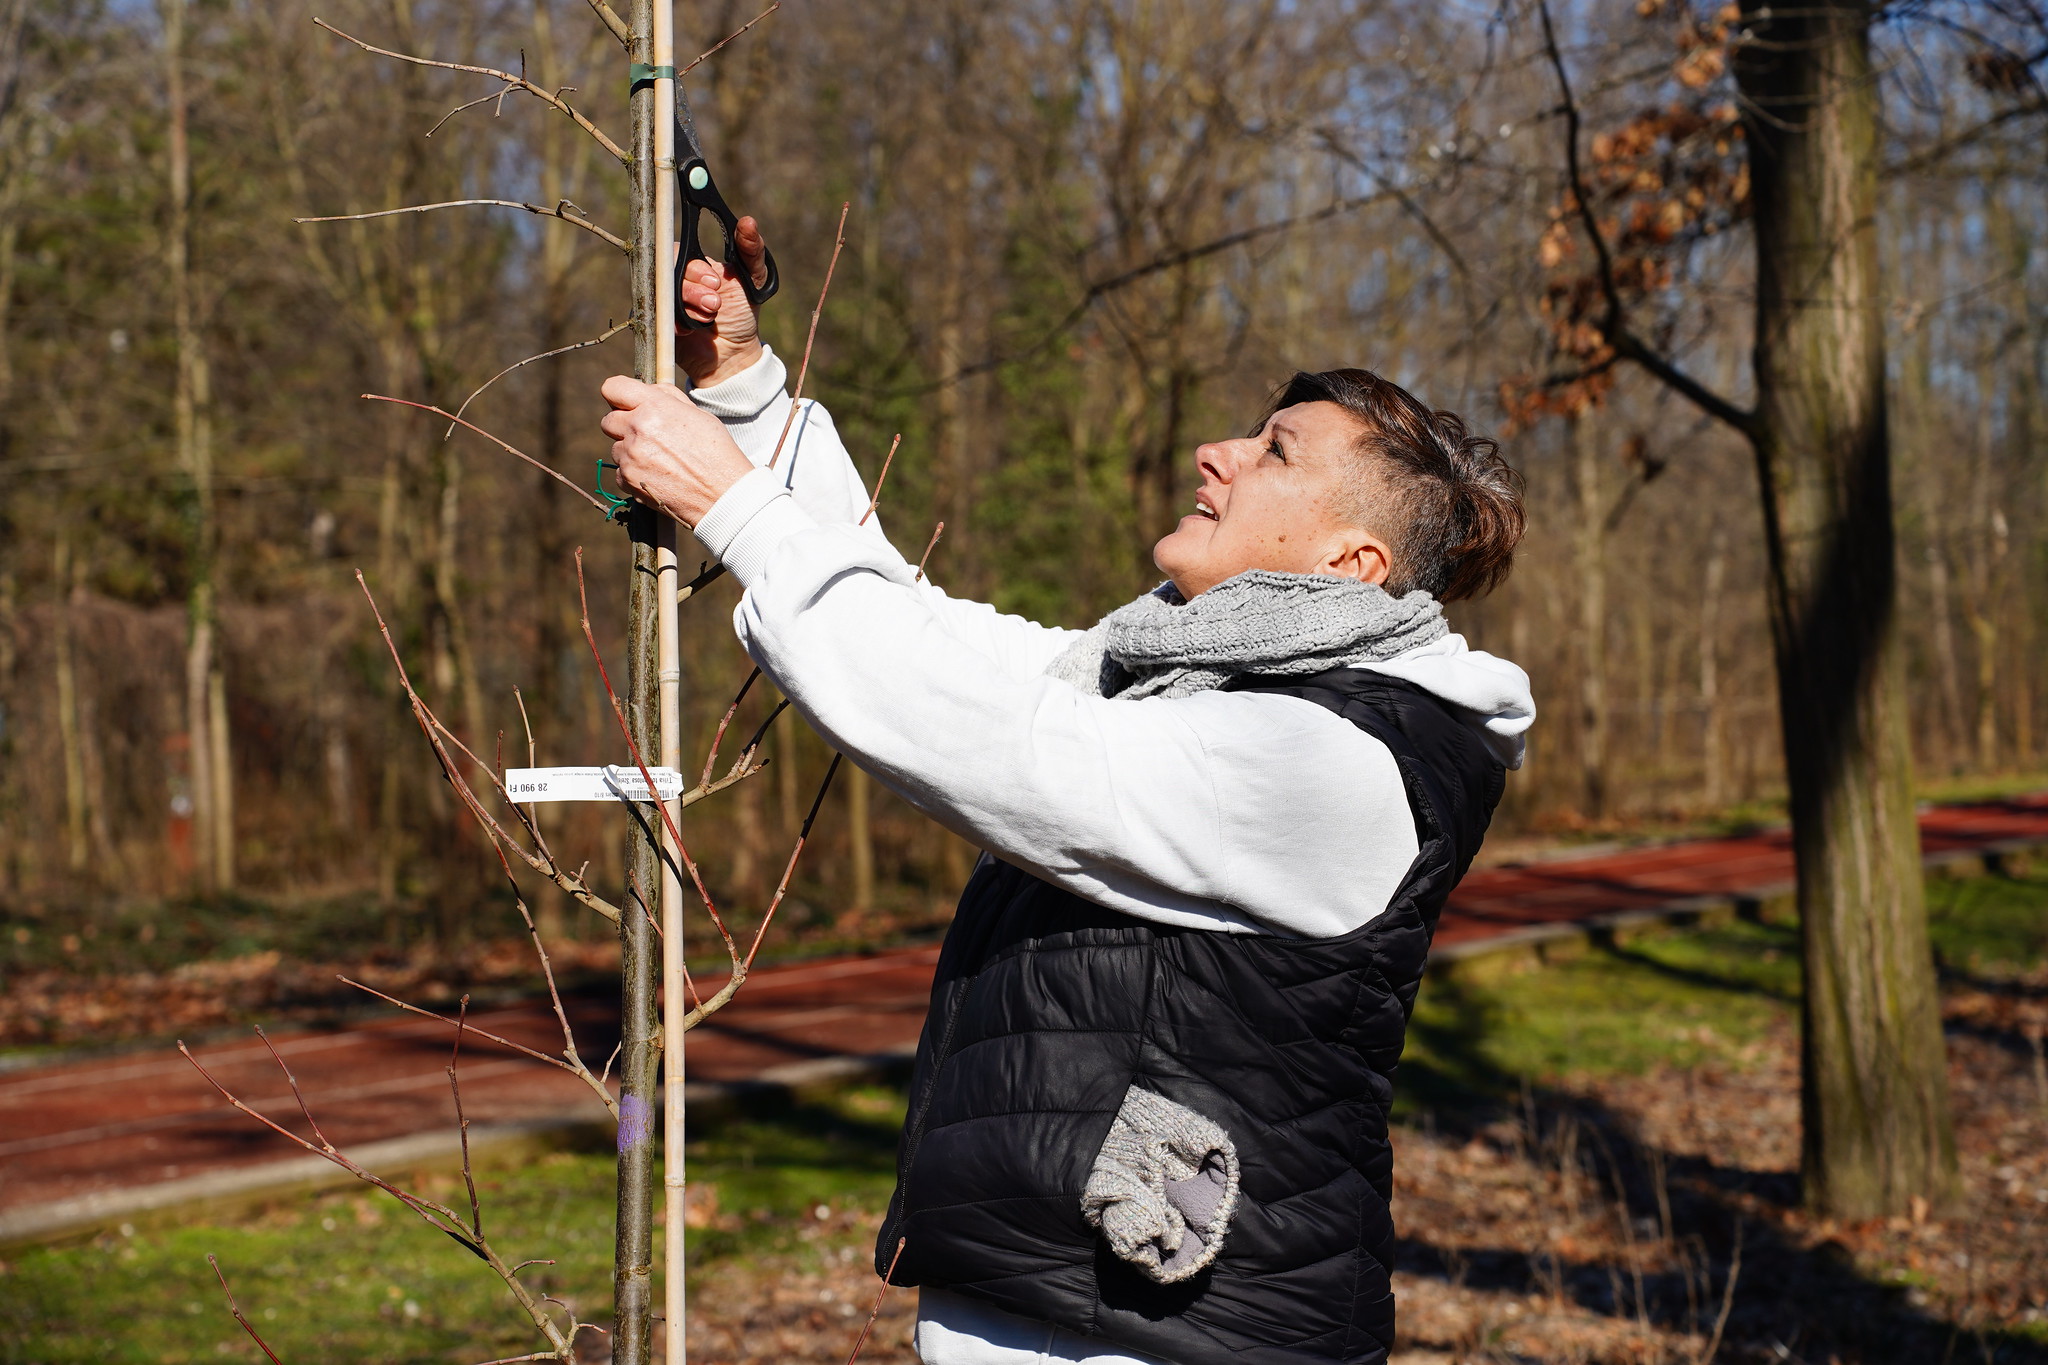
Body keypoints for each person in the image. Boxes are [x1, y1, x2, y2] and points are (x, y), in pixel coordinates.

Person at [601, 221, 1535, 1365]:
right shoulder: (1172, 686)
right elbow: (925, 632)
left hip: (1172, 1336)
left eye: (1274, 452)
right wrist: (745, 397)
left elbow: (999, 745)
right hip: (1066, 1306)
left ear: (1351, 566)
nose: (1215, 451)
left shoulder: (1337, 757)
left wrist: (734, 503)